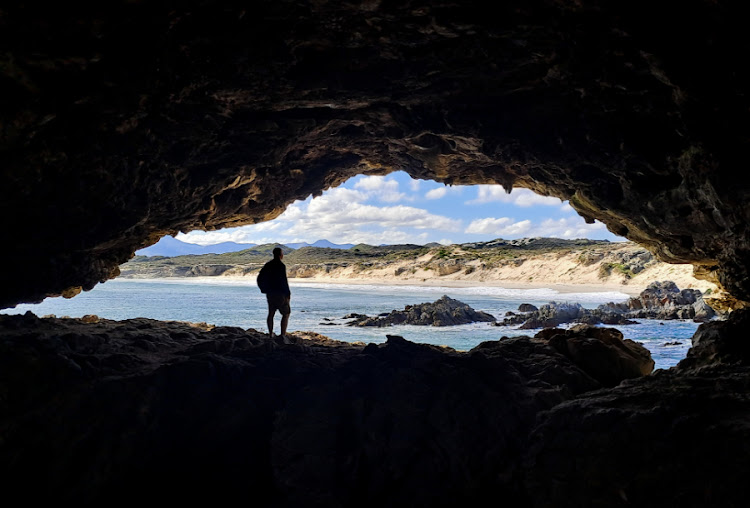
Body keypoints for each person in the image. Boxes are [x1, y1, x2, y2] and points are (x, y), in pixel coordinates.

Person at [257, 247, 291, 339]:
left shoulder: (268, 265)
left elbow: (259, 277)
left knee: (271, 313)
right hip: (280, 293)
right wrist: (288, 293)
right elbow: (283, 281)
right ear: (280, 255)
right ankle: (283, 335)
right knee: (286, 313)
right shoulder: (281, 265)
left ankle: (270, 333)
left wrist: (263, 289)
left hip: (270, 293)